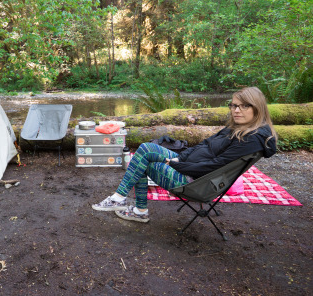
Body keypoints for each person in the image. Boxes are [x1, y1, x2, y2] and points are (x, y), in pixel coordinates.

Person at [92, 86, 277, 223]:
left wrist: (176, 164)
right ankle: (125, 201)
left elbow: (216, 165)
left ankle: (128, 203)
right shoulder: (236, 128)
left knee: (143, 162)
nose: (236, 110)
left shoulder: (251, 139)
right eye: (234, 105)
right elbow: (205, 144)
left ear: (257, 108)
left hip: (195, 182)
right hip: (188, 167)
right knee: (145, 148)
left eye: (244, 106)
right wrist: (180, 157)